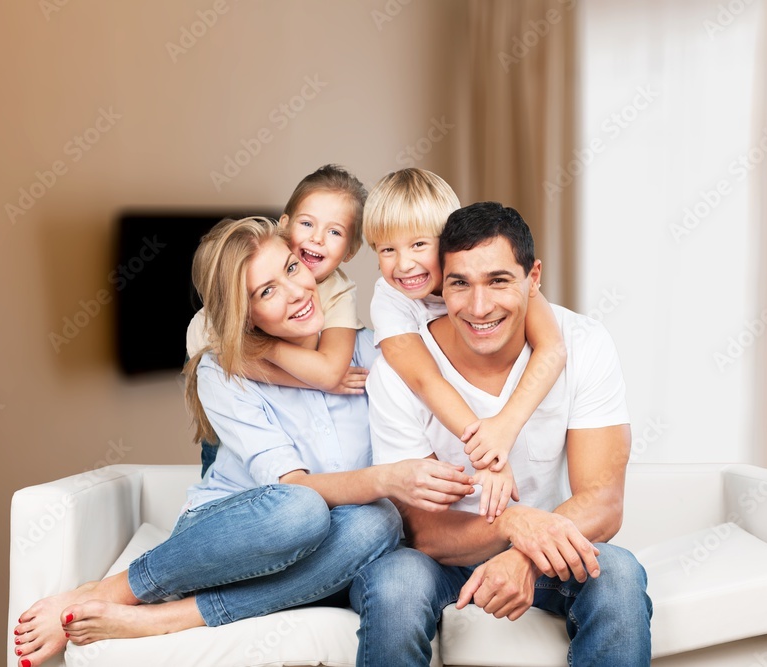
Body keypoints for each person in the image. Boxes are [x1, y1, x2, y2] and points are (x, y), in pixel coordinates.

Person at [12, 216, 474, 667]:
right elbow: (296, 488)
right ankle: (105, 592)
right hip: (235, 537)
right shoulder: (224, 372)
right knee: (302, 508)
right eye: (266, 292)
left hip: (338, 550)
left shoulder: (374, 350)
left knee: (381, 523)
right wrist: (385, 478)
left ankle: (173, 618)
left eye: (292, 269)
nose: (296, 293)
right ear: (245, 313)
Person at [352, 202, 652, 666]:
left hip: (548, 547)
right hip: (441, 559)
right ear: (439, 285)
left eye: (498, 281)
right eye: (460, 284)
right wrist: (512, 522)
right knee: (396, 582)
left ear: (533, 279)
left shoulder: (583, 343)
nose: (479, 307)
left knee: (617, 574)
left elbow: (604, 501)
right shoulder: (398, 372)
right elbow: (423, 530)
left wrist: (526, 555)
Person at [363, 169, 568, 519]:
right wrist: (488, 454)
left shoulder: (494, 272)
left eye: (418, 244)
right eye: (387, 249)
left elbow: (553, 349)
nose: (404, 263)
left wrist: (505, 427)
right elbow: (425, 379)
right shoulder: (390, 300)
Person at [186, 164, 369, 475]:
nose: (317, 238)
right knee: (222, 467)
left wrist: (261, 348)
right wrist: (269, 352)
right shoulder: (219, 312)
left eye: (335, 231)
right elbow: (222, 361)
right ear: (285, 226)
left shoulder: (338, 291)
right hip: (229, 433)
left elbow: (328, 372)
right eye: (307, 223)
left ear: (350, 252)